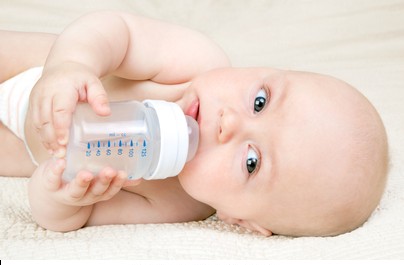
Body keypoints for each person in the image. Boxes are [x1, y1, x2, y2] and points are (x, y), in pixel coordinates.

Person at [0, 11, 389, 237]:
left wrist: (61, 197)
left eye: (251, 162)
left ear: (239, 219)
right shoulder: (197, 61)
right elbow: (115, 29)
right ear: (266, 71)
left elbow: (74, 217)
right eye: (259, 101)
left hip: (24, 147)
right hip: (36, 67)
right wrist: (72, 65)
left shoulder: (175, 204)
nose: (229, 124)